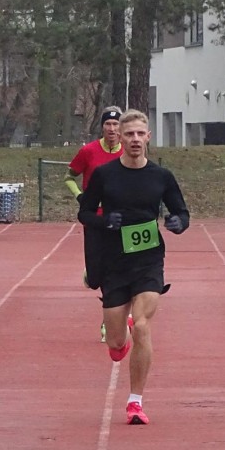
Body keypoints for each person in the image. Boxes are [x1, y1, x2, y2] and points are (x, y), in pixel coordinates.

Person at [78, 109, 189, 425]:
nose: (135, 139)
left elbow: (182, 212)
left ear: (149, 137)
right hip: (114, 261)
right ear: (120, 138)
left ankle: (135, 402)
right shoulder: (105, 175)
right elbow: (84, 213)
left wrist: (179, 223)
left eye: (141, 133)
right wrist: (104, 221)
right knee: (116, 343)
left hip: (148, 259)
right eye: (129, 134)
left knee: (142, 325)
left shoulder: (161, 176)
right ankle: (119, 338)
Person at [66, 106, 124, 341]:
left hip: (119, 219)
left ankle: (109, 323)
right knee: (96, 277)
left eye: (116, 124)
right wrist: (80, 196)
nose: (112, 128)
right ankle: (91, 273)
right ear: (102, 127)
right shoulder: (88, 151)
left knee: (118, 270)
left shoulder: (128, 152)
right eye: (108, 124)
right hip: (94, 218)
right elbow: (69, 177)